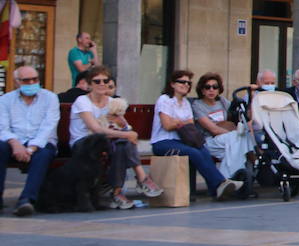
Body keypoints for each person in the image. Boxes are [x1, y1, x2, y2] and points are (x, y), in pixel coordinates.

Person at [69, 67, 162, 208]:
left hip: (106, 142)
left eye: (105, 81)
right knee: (123, 140)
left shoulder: (112, 102)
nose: (102, 84)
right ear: (89, 84)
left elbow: (126, 127)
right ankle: (141, 178)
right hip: (83, 142)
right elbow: (96, 129)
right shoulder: (82, 101)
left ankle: (117, 191)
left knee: (122, 145)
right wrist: (127, 134)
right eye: (97, 81)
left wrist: (122, 125)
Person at [152, 69, 241, 201]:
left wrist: (177, 122)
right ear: (172, 84)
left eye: (188, 83)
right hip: (163, 142)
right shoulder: (165, 99)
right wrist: (180, 123)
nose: (186, 85)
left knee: (203, 150)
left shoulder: (186, 103)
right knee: (193, 153)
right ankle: (220, 184)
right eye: (181, 82)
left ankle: (215, 189)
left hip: (181, 141)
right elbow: (167, 125)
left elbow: (189, 126)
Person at [0, 62, 59, 217]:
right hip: (14, 141)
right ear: (17, 82)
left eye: (35, 79)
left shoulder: (50, 98)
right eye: (27, 80)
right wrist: (15, 144)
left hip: (41, 142)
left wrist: (31, 148)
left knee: (43, 154)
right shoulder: (6, 100)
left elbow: (48, 127)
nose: (32, 83)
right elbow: (3, 127)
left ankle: (26, 200)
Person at [191, 72, 255, 181]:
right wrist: (232, 133)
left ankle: (226, 182)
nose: (211, 90)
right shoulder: (198, 105)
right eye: (207, 87)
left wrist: (252, 96)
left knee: (233, 150)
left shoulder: (222, 101)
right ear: (202, 90)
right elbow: (213, 129)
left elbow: (244, 115)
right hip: (209, 141)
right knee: (238, 140)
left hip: (227, 142)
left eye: (215, 87)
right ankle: (229, 180)